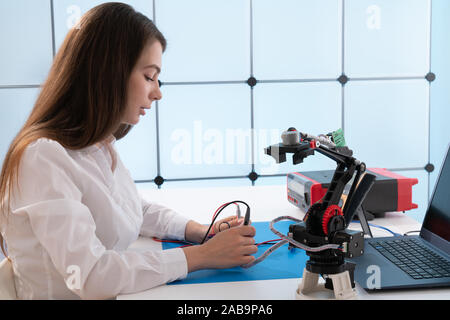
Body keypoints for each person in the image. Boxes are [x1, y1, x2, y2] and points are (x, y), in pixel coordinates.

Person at [0, 3, 257, 300]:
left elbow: (133, 209)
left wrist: (197, 231)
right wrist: (200, 256)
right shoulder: (42, 157)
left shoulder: (98, 145)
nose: (158, 92)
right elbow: (92, 276)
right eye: (149, 77)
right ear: (107, 72)